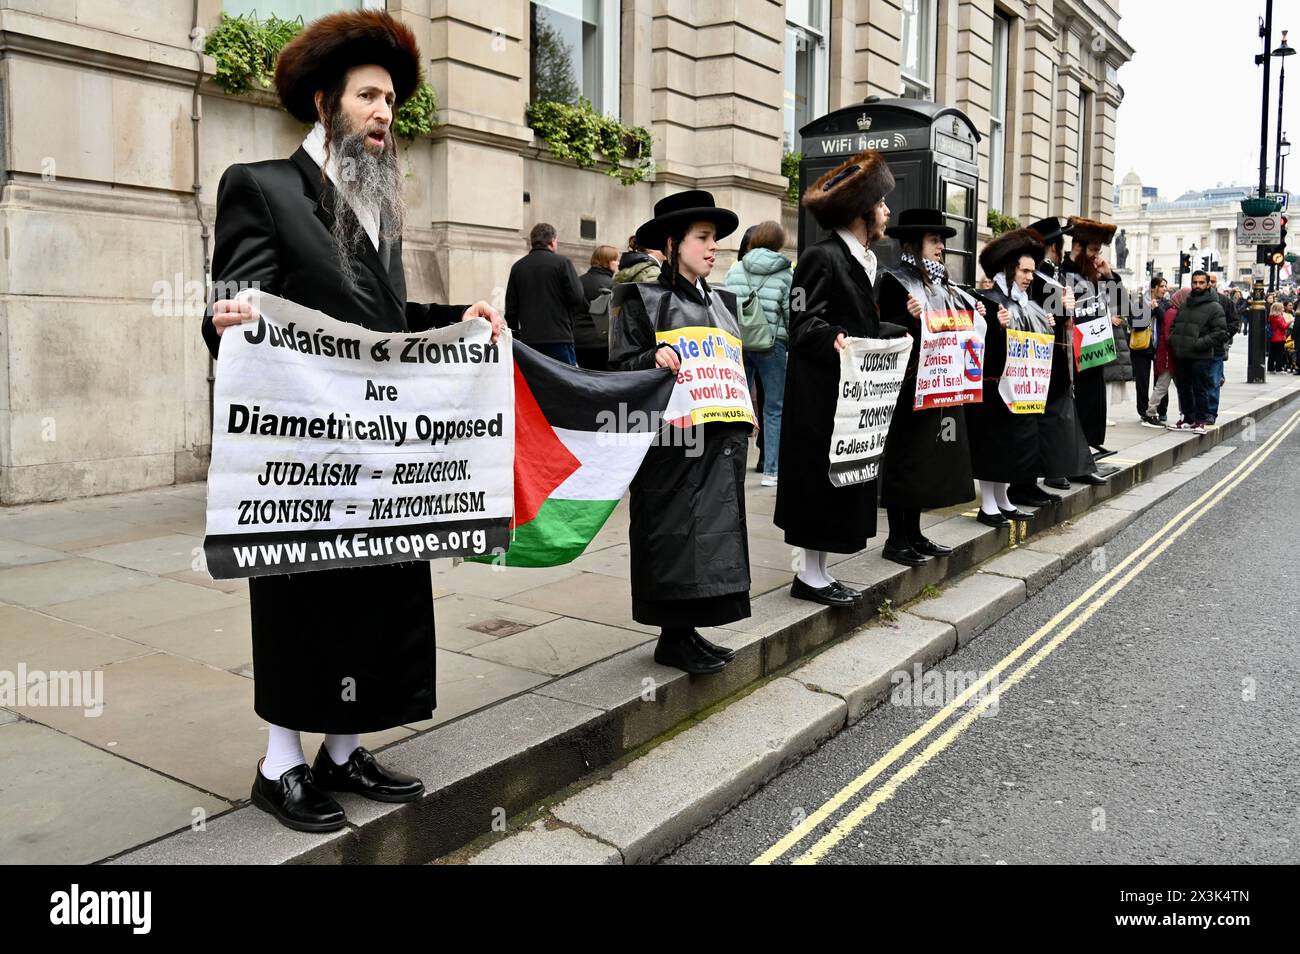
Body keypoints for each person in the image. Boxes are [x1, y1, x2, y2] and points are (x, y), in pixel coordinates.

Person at [201, 10, 504, 833]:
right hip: (305, 456)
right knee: (303, 597)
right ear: (324, 103)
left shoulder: (381, 207)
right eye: (370, 95)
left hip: (383, 458)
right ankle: (281, 764)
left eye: (395, 102)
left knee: (376, 596)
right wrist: (226, 321)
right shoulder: (259, 186)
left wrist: (458, 318)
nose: (385, 113)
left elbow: (390, 320)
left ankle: (343, 749)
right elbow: (235, 303)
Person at [610, 190, 750, 675]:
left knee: (708, 540)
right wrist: (650, 359)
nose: (714, 248)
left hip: (717, 446)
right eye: (703, 238)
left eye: (715, 239)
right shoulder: (642, 301)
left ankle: (688, 631)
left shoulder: (722, 302)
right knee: (675, 539)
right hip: (670, 449)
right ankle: (673, 638)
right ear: (673, 244)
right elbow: (620, 369)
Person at [774, 149, 907, 605]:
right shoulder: (820, 257)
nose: (888, 211)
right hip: (819, 395)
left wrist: (897, 331)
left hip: (849, 396)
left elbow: (861, 324)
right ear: (861, 211)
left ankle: (819, 572)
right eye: (882, 204)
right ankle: (808, 576)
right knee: (818, 483)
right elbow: (801, 322)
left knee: (841, 484)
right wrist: (833, 337)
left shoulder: (866, 259)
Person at [874, 208, 978, 565]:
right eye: (934, 241)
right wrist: (907, 318)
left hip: (934, 384)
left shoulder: (939, 284)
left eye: (941, 242)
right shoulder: (894, 280)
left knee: (924, 461)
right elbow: (881, 329)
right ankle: (896, 539)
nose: (940, 249)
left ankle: (915, 533)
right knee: (905, 460)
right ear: (915, 243)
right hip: (906, 385)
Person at [1009, 215, 1100, 503]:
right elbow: (1038, 313)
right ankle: (1057, 468)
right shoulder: (1038, 273)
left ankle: (1071, 465)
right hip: (1041, 353)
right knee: (1051, 415)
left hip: (1055, 350)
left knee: (1061, 412)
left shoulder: (1051, 271)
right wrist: (1062, 308)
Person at [967, 229, 1049, 526]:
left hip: (1018, 389)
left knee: (1010, 447)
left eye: (1032, 271)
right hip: (992, 388)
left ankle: (1002, 499)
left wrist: (1047, 326)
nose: (1030, 276)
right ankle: (987, 504)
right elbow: (975, 345)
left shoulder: (1030, 305)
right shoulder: (987, 300)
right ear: (1009, 269)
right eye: (1025, 271)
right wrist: (996, 328)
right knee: (993, 445)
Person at [724, 220, 792, 487]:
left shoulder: (735, 268)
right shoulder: (786, 273)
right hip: (772, 344)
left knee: (739, 408)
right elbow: (791, 312)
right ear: (779, 242)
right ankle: (771, 471)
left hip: (739, 343)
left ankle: (733, 467)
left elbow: (725, 305)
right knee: (774, 407)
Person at [1060, 216, 1124, 457]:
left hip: (1094, 345)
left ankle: (1091, 439)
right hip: (1073, 347)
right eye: (1094, 250)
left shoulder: (1094, 272)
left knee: (1095, 397)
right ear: (1079, 247)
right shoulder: (1065, 272)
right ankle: (1079, 446)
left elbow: (1120, 304)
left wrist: (1109, 276)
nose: (1098, 256)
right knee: (1081, 399)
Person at [504, 222, 588, 365]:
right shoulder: (563, 263)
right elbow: (577, 297)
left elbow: (511, 309)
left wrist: (517, 334)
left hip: (529, 341)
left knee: (535, 384)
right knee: (564, 383)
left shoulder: (518, 267)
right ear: (553, 242)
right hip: (560, 337)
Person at [1166, 271, 1228, 435]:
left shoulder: (1215, 307)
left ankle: (1200, 421)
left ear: (1208, 284)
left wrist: (1198, 344)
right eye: (1195, 282)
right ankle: (1187, 419)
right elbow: (1176, 325)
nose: (1198, 285)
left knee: (1200, 389)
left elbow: (1220, 332)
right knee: (1183, 389)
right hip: (1182, 355)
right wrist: (1174, 340)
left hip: (1200, 355)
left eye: (1201, 282)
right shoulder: (1186, 303)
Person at [1132, 276, 1169, 427]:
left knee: (1160, 381)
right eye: (1162, 286)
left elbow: (1166, 320)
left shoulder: (1166, 304)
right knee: (1142, 381)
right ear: (1153, 288)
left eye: (1165, 286)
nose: (1164, 289)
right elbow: (1136, 323)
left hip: (1160, 347)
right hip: (1142, 347)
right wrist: (1149, 310)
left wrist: (1157, 309)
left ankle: (1162, 410)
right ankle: (1143, 411)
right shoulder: (1139, 302)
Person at [575, 244, 619, 370]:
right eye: (616, 260)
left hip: (578, 341)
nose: (618, 263)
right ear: (607, 262)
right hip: (602, 343)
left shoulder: (578, 281)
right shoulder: (612, 285)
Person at [1205, 273, 1239, 424]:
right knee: (1198, 382)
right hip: (1198, 348)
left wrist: (1225, 336)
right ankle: (1198, 412)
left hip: (1216, 349)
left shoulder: (1225, 301)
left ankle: (1211, 413)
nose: (1210, 284)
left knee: (1213, 380)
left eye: (1213, 281)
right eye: (1208, 281)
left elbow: (1234, 322)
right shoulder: (1193, 300)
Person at [1268, 301, 1289, 372]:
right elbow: (1283, 327)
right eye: (1282, 308)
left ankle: (1270, 367)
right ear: (1279, 309)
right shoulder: (1279, 317)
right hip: (1279, 338)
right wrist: (1290, 322)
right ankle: (1278, 368)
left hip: (1273, 337)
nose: (1283, 309)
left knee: (1272, 353)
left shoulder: (1272, 316)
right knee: (1279, 354)